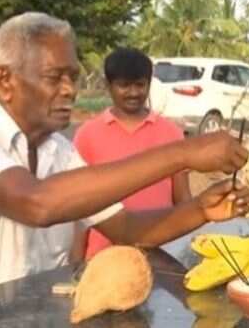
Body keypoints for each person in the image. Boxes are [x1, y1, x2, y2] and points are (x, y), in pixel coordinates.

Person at [0, 12, 249, 312]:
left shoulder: (60, 153)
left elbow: (128, 229)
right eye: (54, 77)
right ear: (4, 82)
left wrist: (202, 210)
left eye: (73, 77)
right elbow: (37, 203)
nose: (69, 90)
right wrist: (183, 153)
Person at [73, 48, 191, 260]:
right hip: (103, 258)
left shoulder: (171, 133)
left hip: (161, 255)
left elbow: (183, 201)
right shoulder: (87, 135)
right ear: (109, 86)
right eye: (124, 85)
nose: (133, 92)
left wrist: (185, 251)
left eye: (140, 84)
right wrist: (76, 263)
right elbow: (78, 209)